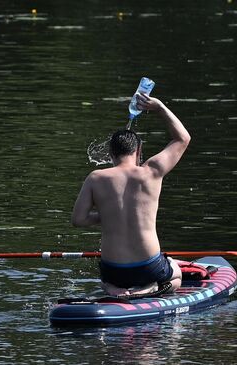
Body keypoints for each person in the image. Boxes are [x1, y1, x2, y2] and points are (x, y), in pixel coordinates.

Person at [71, 92, 191, 297]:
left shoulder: (96, 177)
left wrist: (108, 215)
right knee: (177, 275)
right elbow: (183, 138)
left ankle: (113, 289)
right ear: (139, 150)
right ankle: (149, 289)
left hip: (113, 270)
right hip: (148, 267)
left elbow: (78, 220)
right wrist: (160, 107)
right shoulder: (151, 171)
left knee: (105, 281)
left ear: (110, 153)